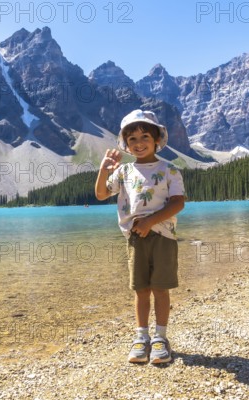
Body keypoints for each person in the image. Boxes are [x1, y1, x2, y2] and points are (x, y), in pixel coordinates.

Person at [95, 109, 186, 364]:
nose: (138, 143)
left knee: (161, 288)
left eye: (145, 136)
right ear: (125, 143)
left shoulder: (170, 170)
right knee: (141, 289)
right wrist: (104, 170)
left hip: (164, 236)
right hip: (135, 238)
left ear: (157, 139)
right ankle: (141, 336)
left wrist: (150, 221)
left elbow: (178, 203)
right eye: (132, 139)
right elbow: (101, 194)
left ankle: (161, 337)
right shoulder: (123, 172)